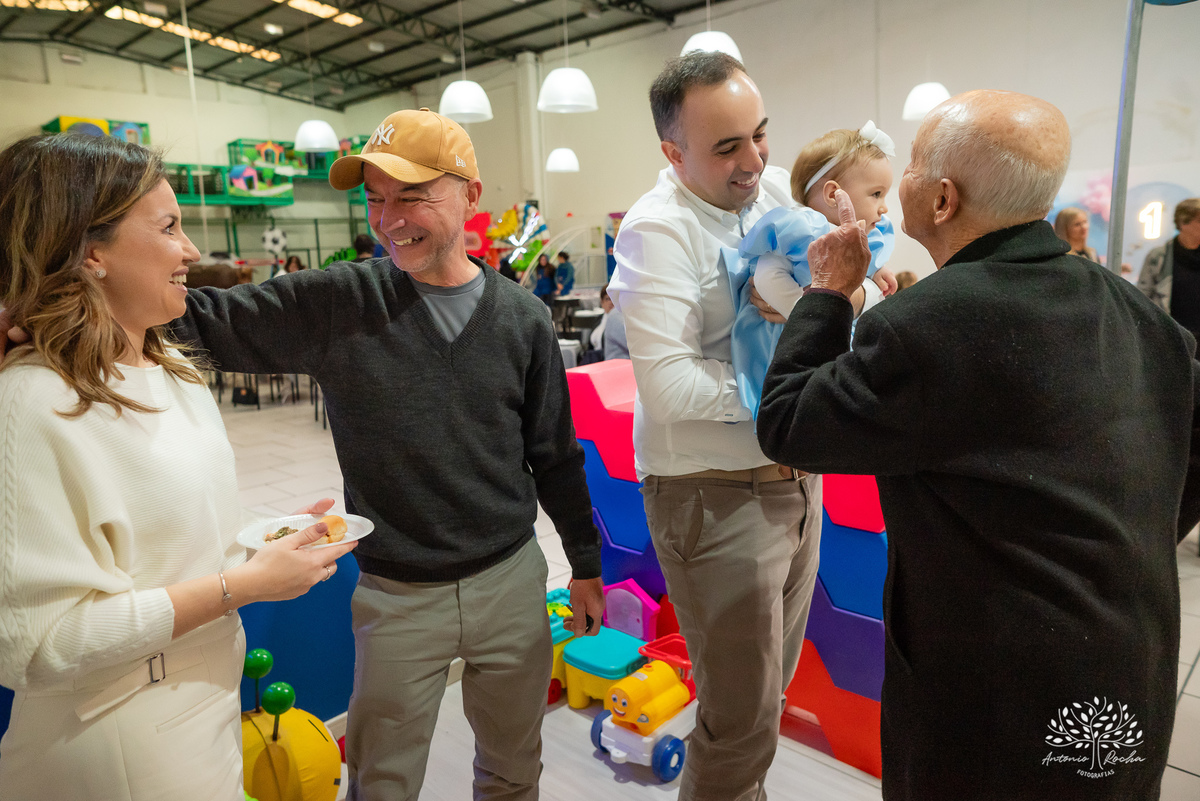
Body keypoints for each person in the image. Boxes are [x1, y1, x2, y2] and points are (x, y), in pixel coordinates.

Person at [756, 90, 1196, 800]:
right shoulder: (1145, 318)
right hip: (1126, 665)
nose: (899, 175)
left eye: (916, 162)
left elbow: (788, 422)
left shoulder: (924, 324)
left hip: (994, 695)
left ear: (941, 200)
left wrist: (829, 292)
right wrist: (1120, 540)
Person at [168, 108, 606, 800]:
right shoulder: (341, 303)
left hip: (511, 579)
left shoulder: (522, 319)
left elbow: (555, 454)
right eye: (374, 199)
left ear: (470, 195)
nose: (388, 218)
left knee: (514, 769)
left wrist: (584, 563)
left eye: (410, 195)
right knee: (381, 781)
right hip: (399, 598)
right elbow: (203, 324)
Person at [0, 133, 355, 800]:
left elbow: (170, 530)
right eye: (168, 227)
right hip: (115, 738)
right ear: (90, 250)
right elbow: (39, 644)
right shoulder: (33, 400)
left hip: (202, 711)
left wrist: (266, 534)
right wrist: (240, 586)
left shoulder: (171, 367)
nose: (193, 251)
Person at [608, 51, 822, 801]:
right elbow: (667, 386)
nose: (755, 160)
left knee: (767, 696)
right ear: (674, 152)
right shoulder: (655, 231)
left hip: (798, 481)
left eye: (760, 135)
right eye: (728, 146)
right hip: (712, 495)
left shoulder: (769, 205)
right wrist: (788, 389)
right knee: (740, 716)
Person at [725, 121, 899, 417]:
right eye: (876, 194)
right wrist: (809, 318)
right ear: (833, 195)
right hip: (786, 343)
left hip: (834, 340)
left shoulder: (868, 237)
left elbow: (860, 282)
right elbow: (767, 276)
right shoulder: (800, 229)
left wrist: (874, 273)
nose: (884, 208)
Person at [1138, 197, 1200, 334]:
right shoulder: (1159, 256)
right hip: (1171, 335)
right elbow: (1142, 296)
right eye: (1199, 221)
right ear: (1183, 223)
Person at [590, 284, 629, 361]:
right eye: (608, 299)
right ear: (602, 302)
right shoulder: (598, 320)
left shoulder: (617, 318)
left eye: (614, 299)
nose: (611, 302)